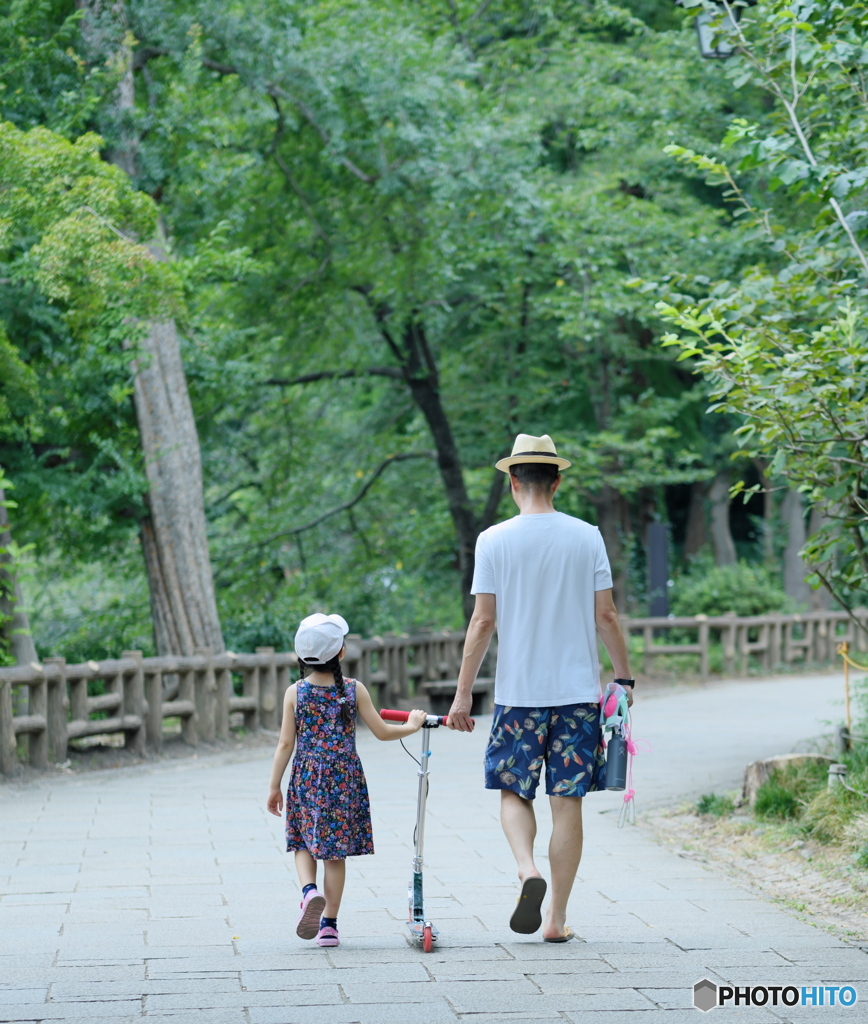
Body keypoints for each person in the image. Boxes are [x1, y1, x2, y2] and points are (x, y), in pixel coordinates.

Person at [447, 433, 634, 943]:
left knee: (513, 790)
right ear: (557, 480)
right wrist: (623, 678)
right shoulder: (586, 536)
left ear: (512, 481)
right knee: (566, 802)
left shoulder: (493, 540)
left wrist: (464, 695)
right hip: (577, 695)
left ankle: (527, 868)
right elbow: (606, 614)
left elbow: (482, 624)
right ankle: (555, 919)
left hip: (517, 695)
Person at [267, 612, 426, 947]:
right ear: (341, 653)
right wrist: (411, 725)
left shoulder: (294, 693)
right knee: (334, 854)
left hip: (307, 777)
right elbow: (382, 732)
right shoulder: (354, 690)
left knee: (302, 841)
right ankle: (329, 926)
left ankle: (309, 891)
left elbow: (285, 743)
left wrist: (273, 786)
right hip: (343, 777)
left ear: (301, 656)